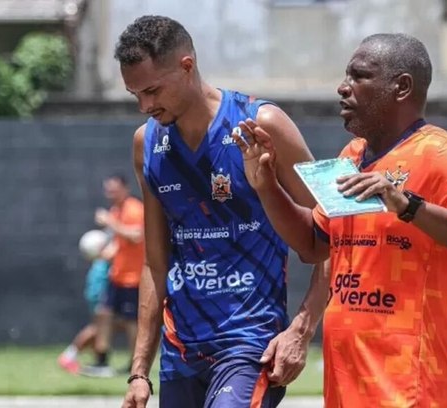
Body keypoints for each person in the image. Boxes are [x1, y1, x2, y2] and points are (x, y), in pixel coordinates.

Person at [234, 33, 447, 407]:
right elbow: (314, 244)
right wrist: (266, 186)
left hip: (411, 387)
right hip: (348, 383)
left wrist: (406, 204)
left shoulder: (442, 152)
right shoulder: (354, 154)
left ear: (402, 87)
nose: (343, 88)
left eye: (359, 76)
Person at [116, 15, 329, 408]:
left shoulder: (260, 123)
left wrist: (302, 327)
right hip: (181, 347)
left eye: (152, 90)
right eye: (135, 96)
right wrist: (139, 371)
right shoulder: (146, 143)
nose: (145, 106)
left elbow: (339, 230)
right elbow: (155, 264)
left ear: (186, 66)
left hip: (249, 344)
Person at [81, 174, 146, 377]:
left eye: (114, 189)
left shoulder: (134, 209)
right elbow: (120, 244)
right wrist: (103, 255)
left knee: (131, 322)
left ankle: (135, 364)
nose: (110, 193)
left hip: (133, 278)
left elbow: (136, 236)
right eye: (107, 189)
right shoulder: (116, 211)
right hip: (116, 275)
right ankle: (101, 360)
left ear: (125, 188)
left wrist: (110, 222)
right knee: (103, 313)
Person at [58, 236, 117, 374]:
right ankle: (68, 356)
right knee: (98, 328)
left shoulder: (99, 263)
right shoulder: (103, 261)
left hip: (97, 295)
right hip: (99, 295)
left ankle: (98, 361)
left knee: (101, 329)